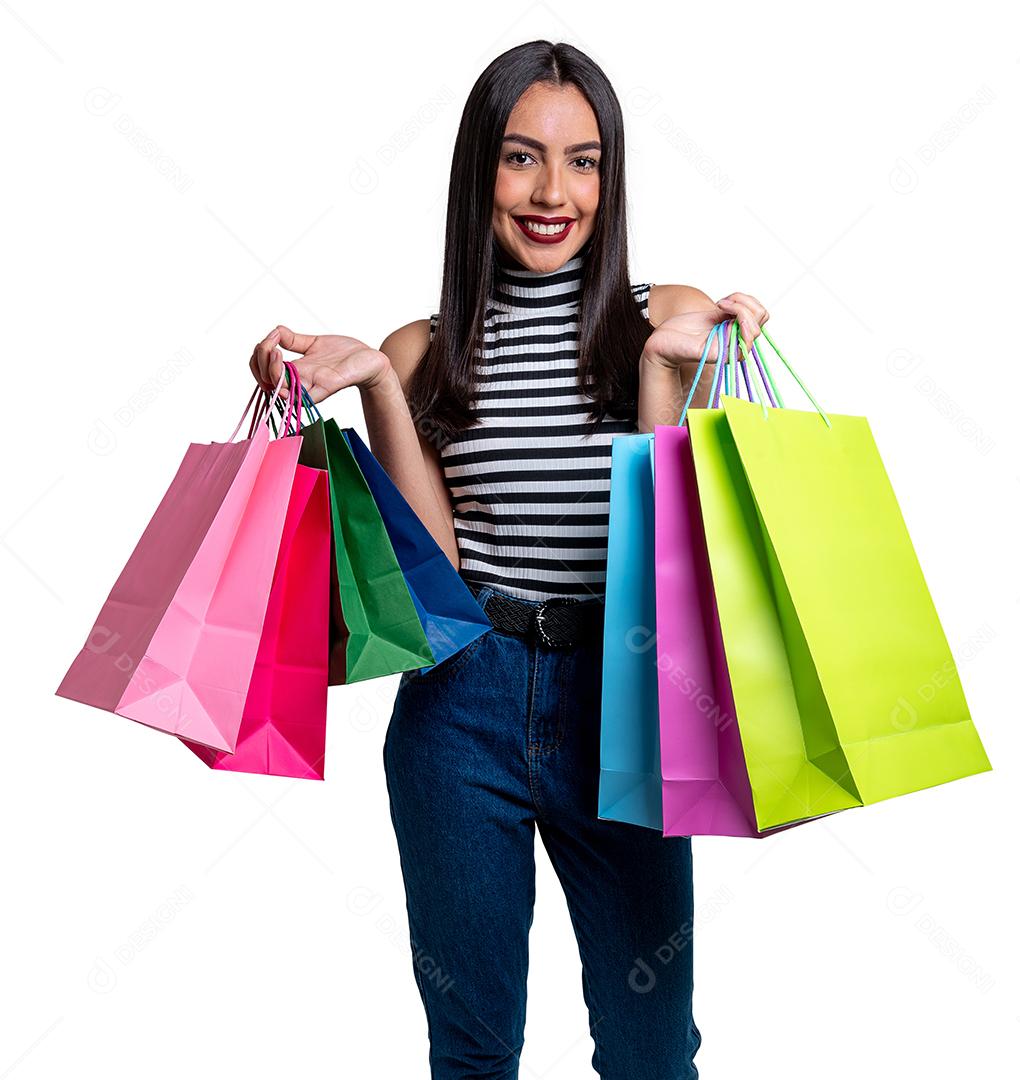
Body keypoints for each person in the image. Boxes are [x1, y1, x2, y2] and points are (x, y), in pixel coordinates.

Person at [249, 39, 769, 1080]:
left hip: (620, 696)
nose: (553, 192)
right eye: (522, 157)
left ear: (610, 180)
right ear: (477, 168)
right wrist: (377, 394)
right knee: (474, 1049)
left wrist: (676, 375)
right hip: (463, 705)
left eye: (584, 162)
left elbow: (671, 556)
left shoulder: (663, 319)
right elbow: (436, 579)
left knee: (650, 1049)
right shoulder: (422, 350)